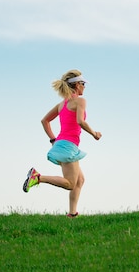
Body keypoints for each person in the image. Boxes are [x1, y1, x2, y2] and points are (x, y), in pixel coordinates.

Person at [23, 69, 102, 217]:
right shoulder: (80, 101)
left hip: (62, 144)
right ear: (77, 85)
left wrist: (53, 140)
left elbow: (44, 121)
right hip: (68, 146)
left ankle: (72, 214)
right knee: (70, 183)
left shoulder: (62, 104)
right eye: (83, 83)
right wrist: (94, 134)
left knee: (79, 180)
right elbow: (80, 121)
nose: (85, 86)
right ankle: (37, 177)